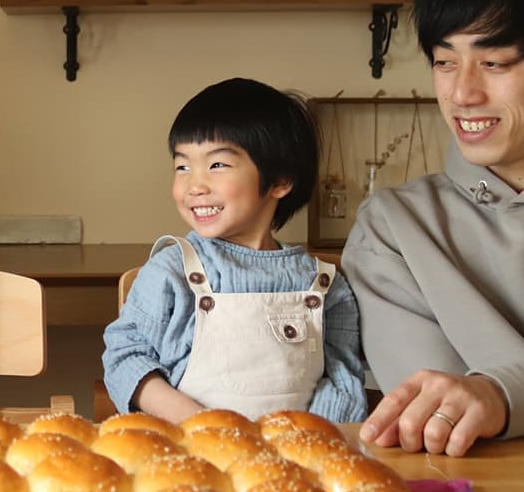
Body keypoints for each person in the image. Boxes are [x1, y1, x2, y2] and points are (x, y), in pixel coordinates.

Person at [342, 0, 524, 458]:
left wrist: (503, 393)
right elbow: (437, 420)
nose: (462, 93)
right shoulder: (394, 229)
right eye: (445, 62)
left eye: (495, 61)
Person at [103, 78, 367, 424]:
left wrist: (303, 441)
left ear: (280, 181)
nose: (194, 186)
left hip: (291, 461)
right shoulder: (171, 271)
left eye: (217, 165)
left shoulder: (324, 285)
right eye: (183, 166)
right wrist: (199, 423)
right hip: (189, 455)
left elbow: (343, 381)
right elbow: (125, 358)